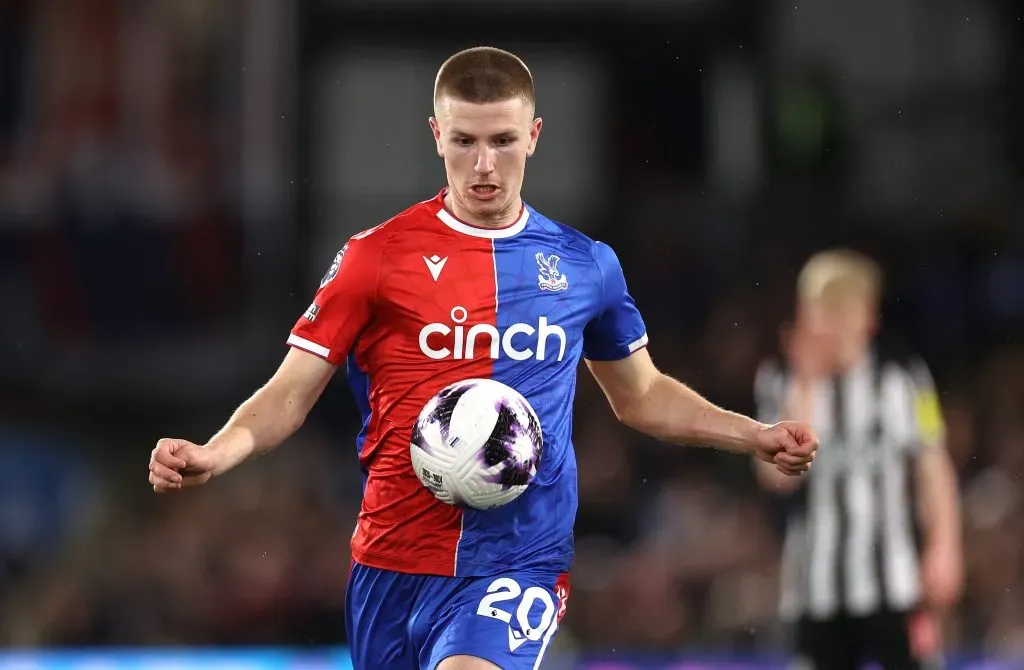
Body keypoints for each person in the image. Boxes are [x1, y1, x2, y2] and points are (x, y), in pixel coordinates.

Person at [148, 46, 818, 670]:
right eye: (465, 142)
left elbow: (641, 395)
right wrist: (218, 451)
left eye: (502, 141)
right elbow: (291, 392)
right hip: (391, 563)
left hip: (519, 560)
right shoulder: (375, 259)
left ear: (533, 135)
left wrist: (751, 434)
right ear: (437, 135)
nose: (484, 166)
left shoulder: (586, 267)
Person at [754, 249, 963, 670]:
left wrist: (944, 546)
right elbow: (776, 479)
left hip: (896, 583)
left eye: (841, 311)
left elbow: (932, 465)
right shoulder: (779, 380)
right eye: (821, 310)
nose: (830, 324)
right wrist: (808, 383)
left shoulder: (905, 377)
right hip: (816, 587)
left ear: (868, 318)